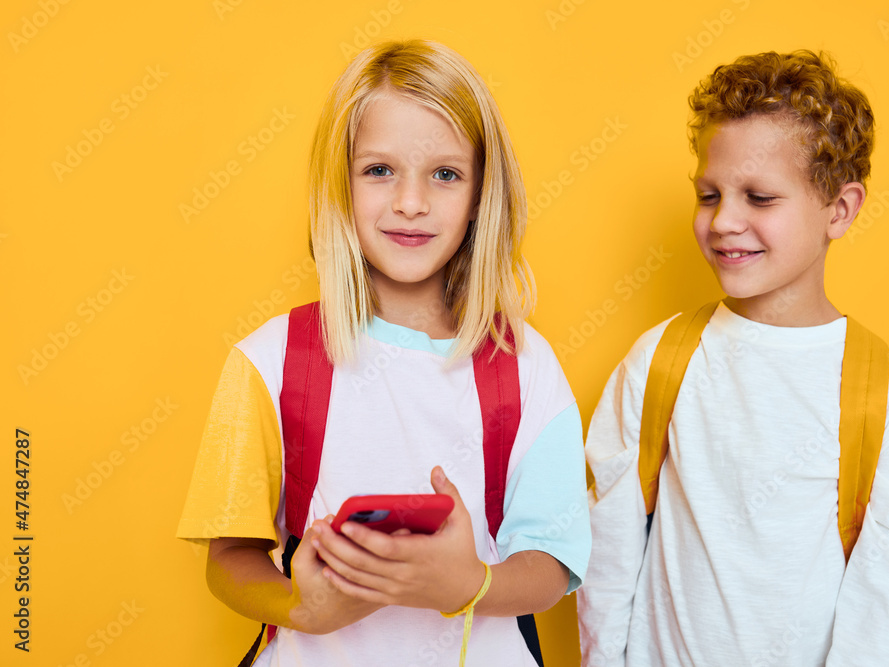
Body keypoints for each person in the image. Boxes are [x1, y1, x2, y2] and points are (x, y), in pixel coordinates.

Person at [177, 39, 590, 666]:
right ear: (341, 185)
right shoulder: (268, 359)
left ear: (483, 193)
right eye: (379, 170)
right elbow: (229, 558)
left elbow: (553, 562)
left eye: (445, 174)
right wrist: (300, 609)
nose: (410, 203)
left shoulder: (525, 364)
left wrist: (467, 585)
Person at [577, 50, 889, 666]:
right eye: (709, 195)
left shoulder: (887, 391)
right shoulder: (660, 360)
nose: (724, 221)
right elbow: (609, 549)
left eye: (759, 198)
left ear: (838, 211)